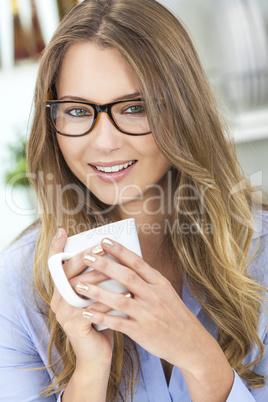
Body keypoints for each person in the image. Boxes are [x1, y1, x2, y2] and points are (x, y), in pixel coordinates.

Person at [0, 0, 267, 401]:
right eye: (76, 110)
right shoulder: (17, 284)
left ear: (184, 109)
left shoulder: (259, 250)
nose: (105, 142)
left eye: (135, 107)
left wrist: (199, 357)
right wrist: (90, 369)